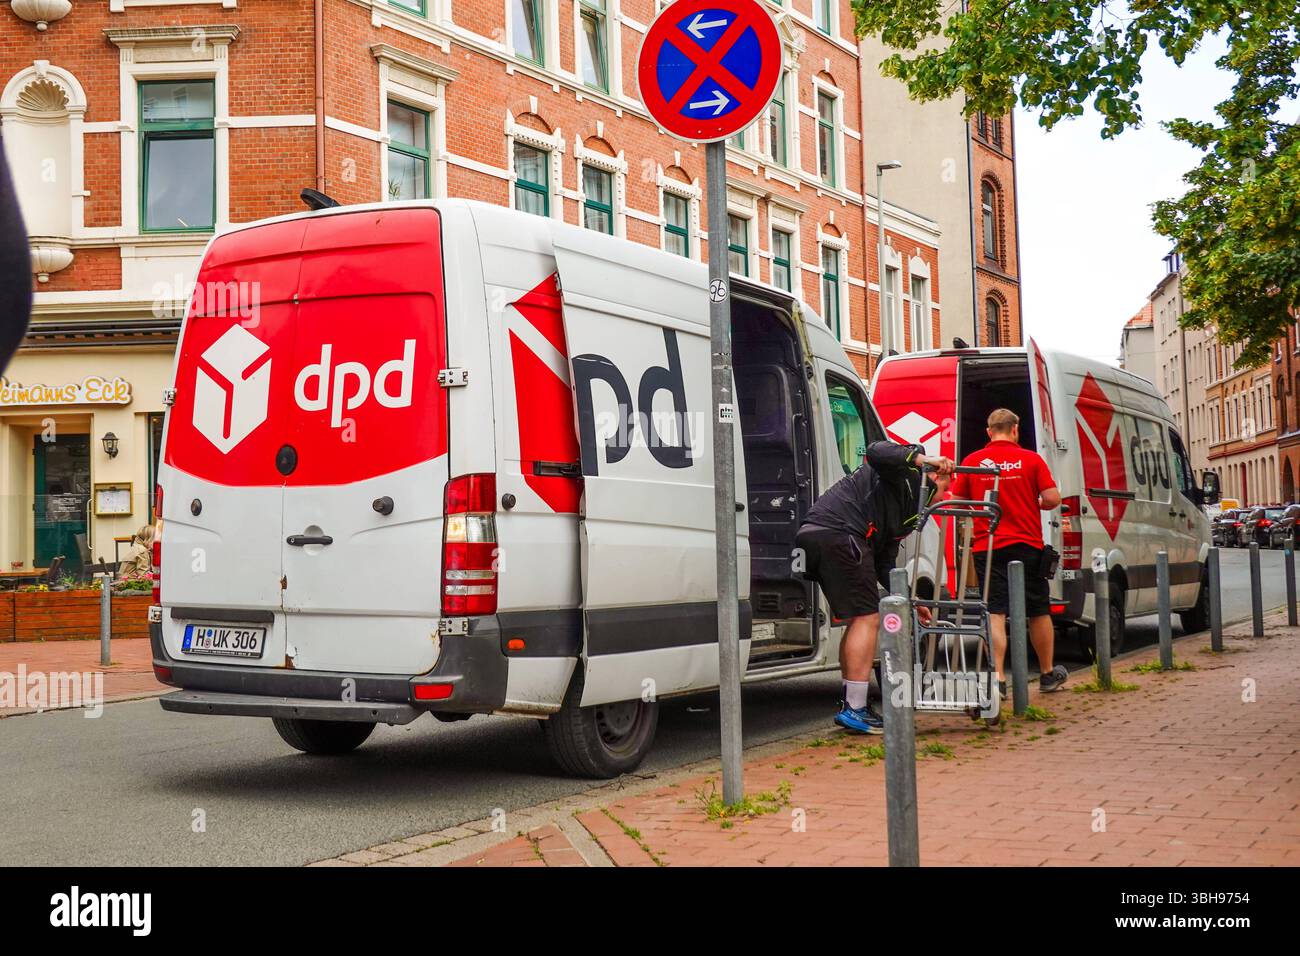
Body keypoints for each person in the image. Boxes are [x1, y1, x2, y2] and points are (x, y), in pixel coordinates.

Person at [795, 440, 955, 734]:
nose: (948, 496)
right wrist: (923, 459)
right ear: (934, 477)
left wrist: (909, 598)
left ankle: (852, 704)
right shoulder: (904, 473)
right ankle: (855, 708)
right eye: (946, 488)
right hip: (839, 533)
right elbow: (876, 450)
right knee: (869, 617)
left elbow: (886, 563)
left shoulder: (909, 513)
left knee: (860, 618)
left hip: (825, 534)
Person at [948, 408, 1067, 694]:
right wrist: (1033, 502)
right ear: (1015, 430)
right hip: (1027, 544)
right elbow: (1052, 498)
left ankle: (998, 678)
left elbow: (959, 502)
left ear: (989, 432)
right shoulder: (1031, 460)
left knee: (995, 611)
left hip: (988, 546)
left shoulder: (974, 461)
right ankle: (1048, 674)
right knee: (1038, 610)